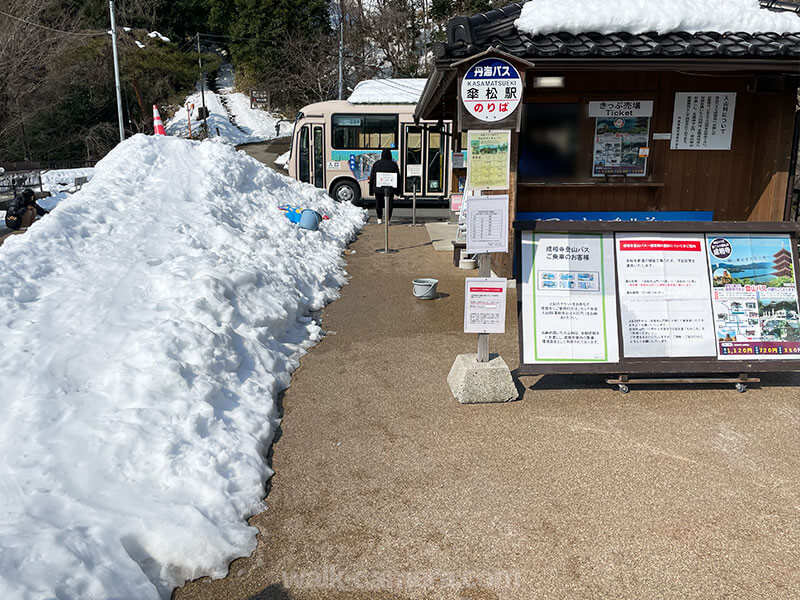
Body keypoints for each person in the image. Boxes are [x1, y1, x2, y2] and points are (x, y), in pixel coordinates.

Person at [368, 148, 400, 224]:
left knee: (378, 203)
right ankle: (388, 219)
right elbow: (398, 178)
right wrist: (398, 191)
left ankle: (379, 218)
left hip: (378, 187)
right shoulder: (393, 164)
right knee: (389, 203)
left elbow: (372, 177)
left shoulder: (377, 164)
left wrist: (371, 190)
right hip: (390, 188)